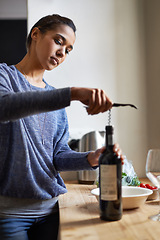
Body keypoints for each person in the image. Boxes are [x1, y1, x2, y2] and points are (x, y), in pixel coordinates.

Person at [0, 14, 124, 240]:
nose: (62, 53)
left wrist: (91, 158)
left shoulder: (57, 102)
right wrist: (73, 93)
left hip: (52, 212)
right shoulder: (4, 77)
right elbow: (5, 107)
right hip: (9, 215)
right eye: (58, 41)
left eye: (68, 50)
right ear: (36, 34)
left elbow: (57, 157)